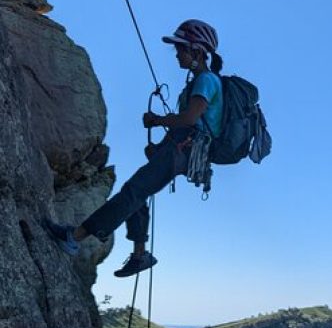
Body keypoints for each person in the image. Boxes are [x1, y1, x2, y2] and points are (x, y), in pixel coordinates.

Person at [46, 19, 224, 277]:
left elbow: (189, 120)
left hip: (185, 150)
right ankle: (140, 255)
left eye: (181, 49)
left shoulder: (206, 80)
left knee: (133, 191)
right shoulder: (202, 81)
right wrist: (162, 146)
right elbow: (191, 124)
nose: (177, 54)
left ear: (197, 51)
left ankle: (74, 237)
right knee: (136, 192)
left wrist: (157, 120)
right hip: (183, 151)